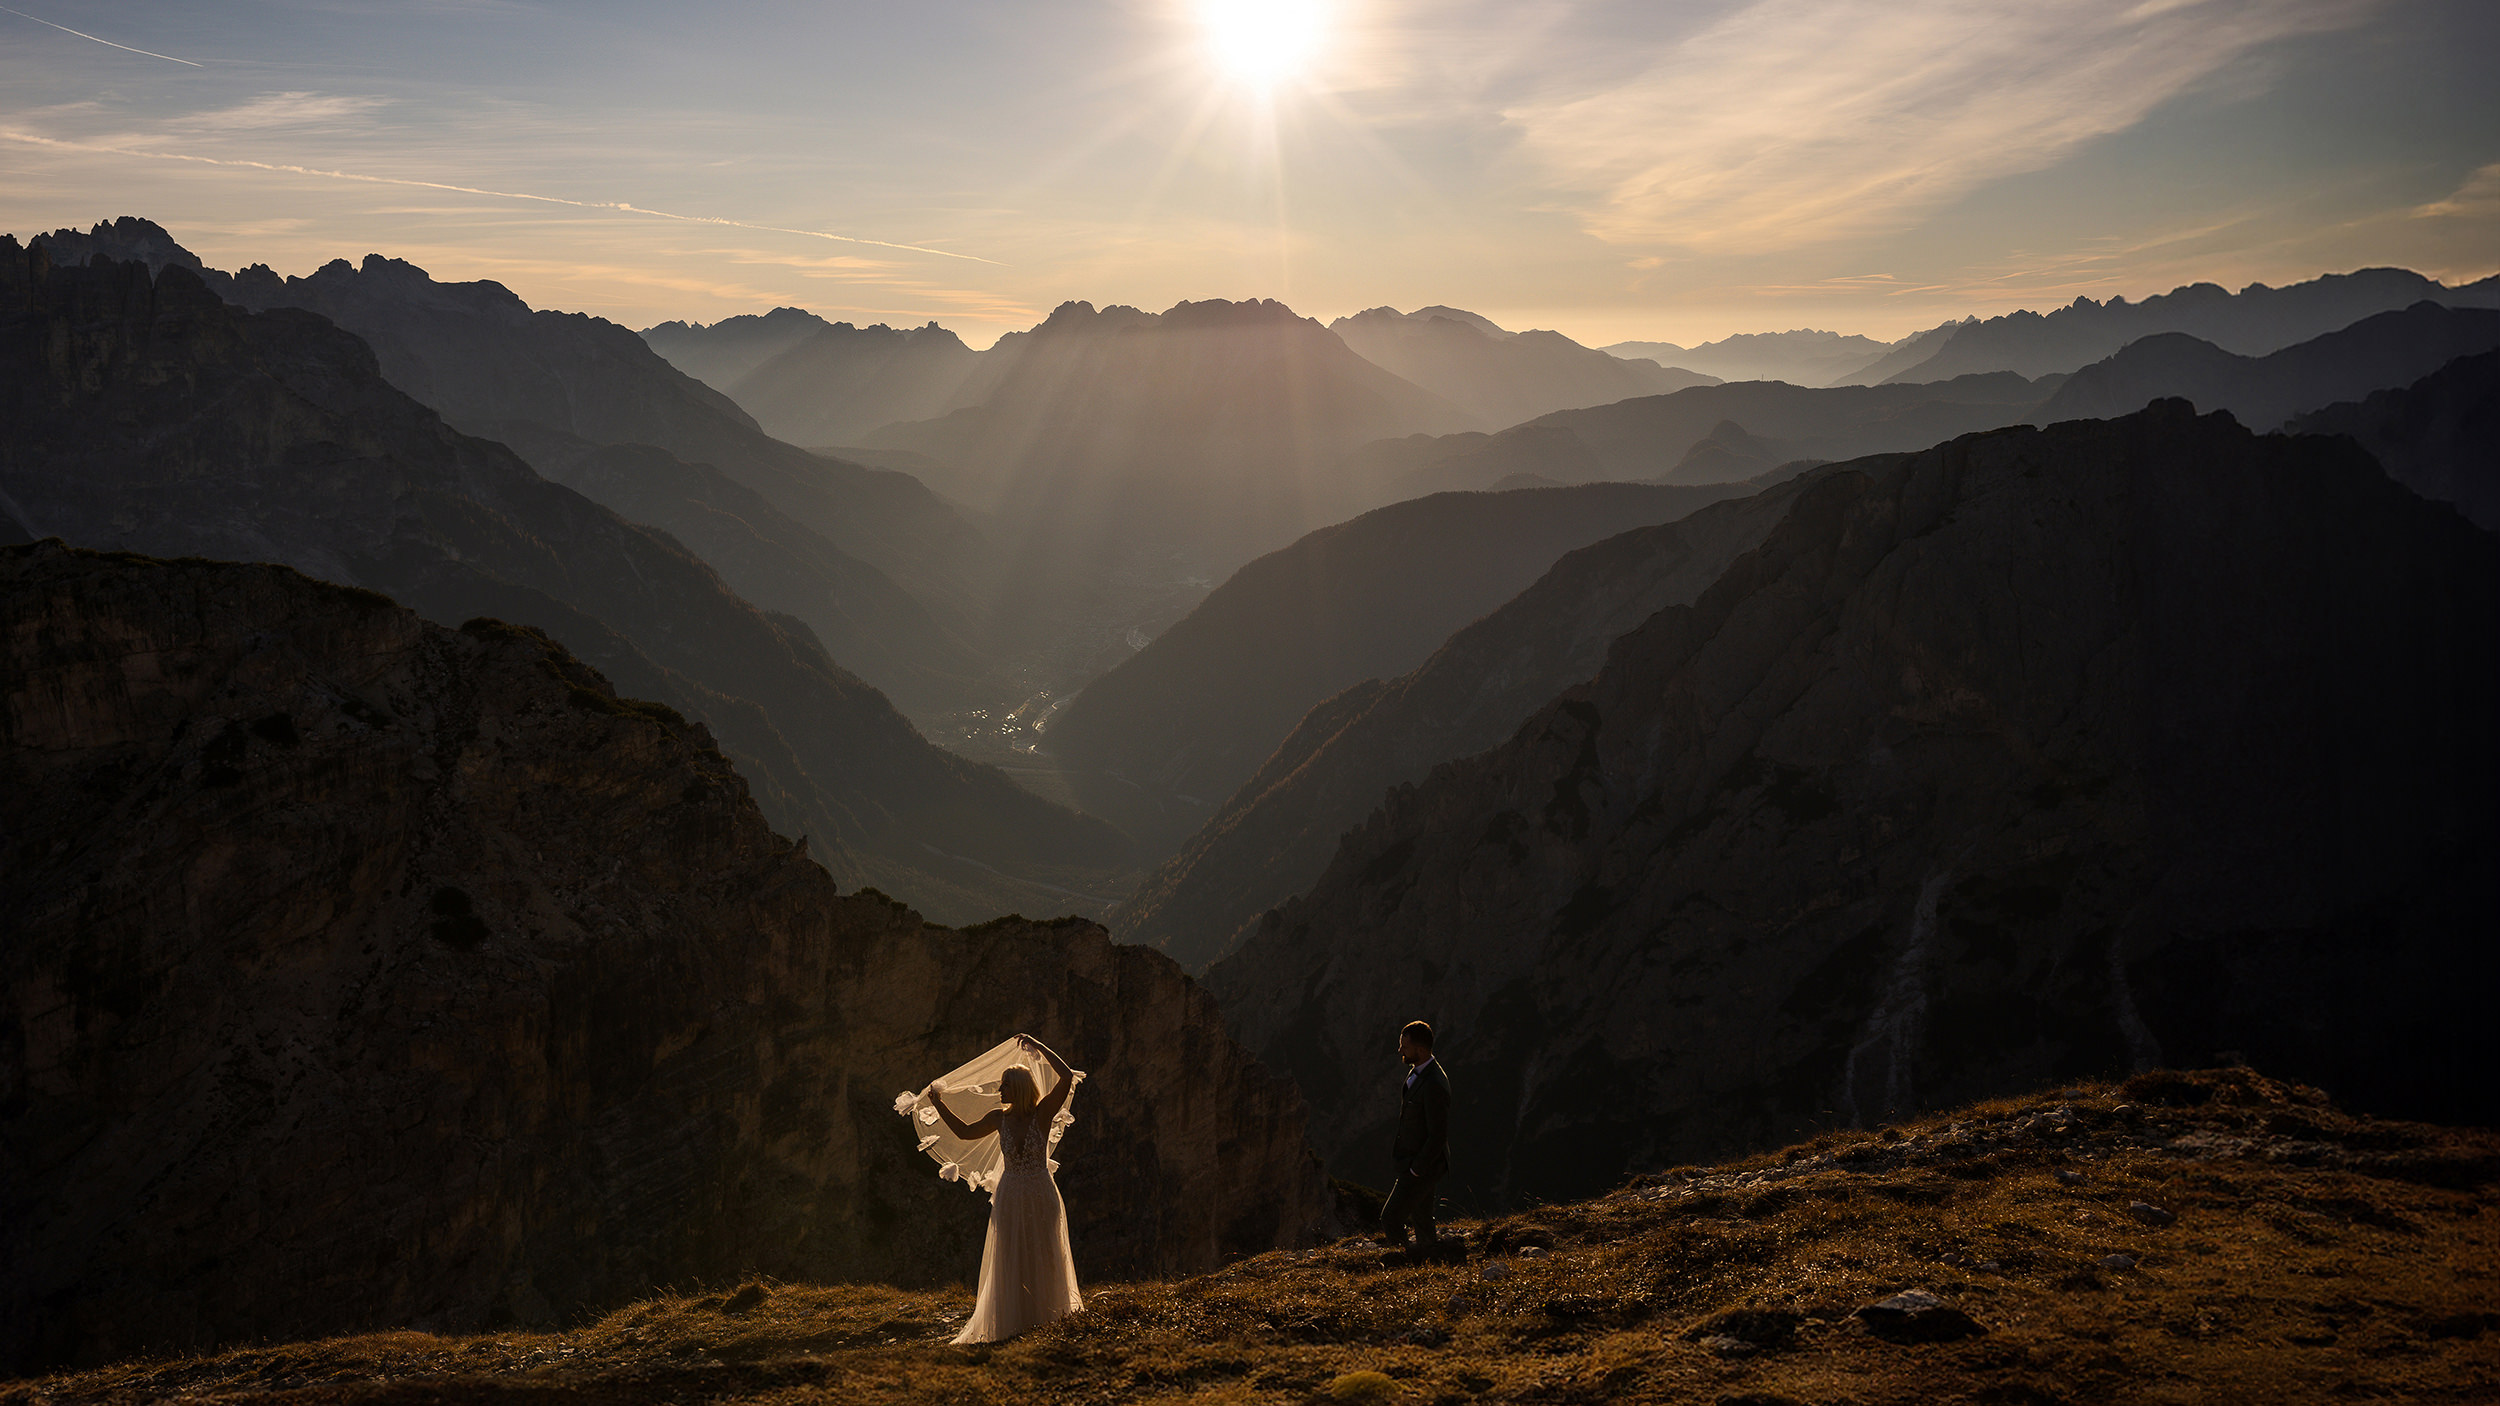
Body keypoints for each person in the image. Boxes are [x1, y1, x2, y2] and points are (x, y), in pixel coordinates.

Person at [925, 1033, 1084, 1342]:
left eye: (1004, 1085)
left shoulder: (1044, 1113)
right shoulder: (1000, 1118)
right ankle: (1013, 1324)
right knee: (1011, 1257)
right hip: (1010, 1194)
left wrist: (1038, 1047)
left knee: (1045, 1253)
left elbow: (1066, 1076)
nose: (998, 1090)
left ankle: (1049, 1318)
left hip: (1040, 1193)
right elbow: (963, 1132)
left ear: (1020, 1088)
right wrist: (939, 1105)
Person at [1380, 1019, 1454, 1264]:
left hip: (1423, 1165)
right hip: (1417, 1161)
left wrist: (1416, 1169)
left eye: (1404, 1046)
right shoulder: (1419, 1072)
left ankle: (1405, 1262)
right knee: (1421, 1215)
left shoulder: (1433, 1084)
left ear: (1420, 1050)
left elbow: (1438, 1134)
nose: (1400, 1050)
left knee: (1390, 1216)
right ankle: (1432, 1257)